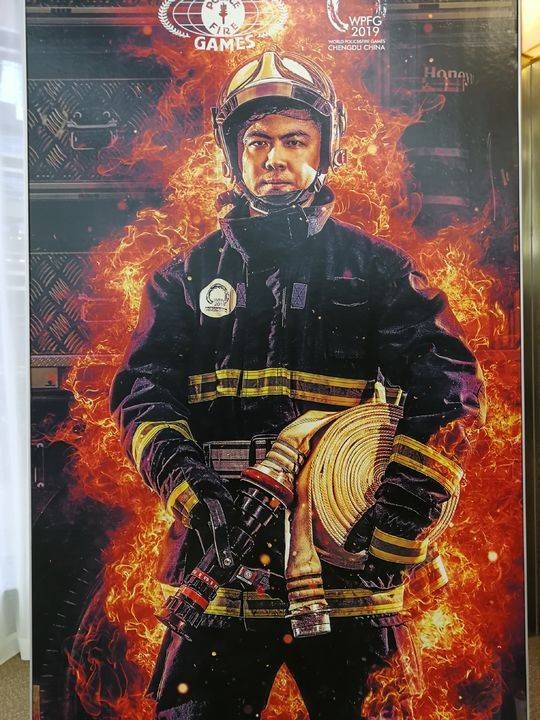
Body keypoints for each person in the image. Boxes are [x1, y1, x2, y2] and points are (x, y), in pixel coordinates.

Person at [110, 50, 485, 720]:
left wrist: (401, 515)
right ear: (234, 155)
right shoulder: (183, 279)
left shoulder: (377, 269)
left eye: (294, 140)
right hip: (222, 561)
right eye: (257, 141)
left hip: (349, 568)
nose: (275, 157)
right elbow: (145, 396)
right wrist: (192, 490)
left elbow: (450, 388)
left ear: (324, 150)